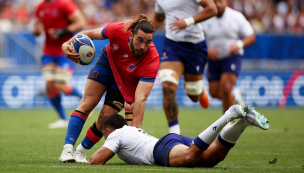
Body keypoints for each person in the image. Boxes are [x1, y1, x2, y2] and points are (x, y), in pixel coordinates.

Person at [58, 14, 159, 163]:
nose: (143, 46)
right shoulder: (118, 29)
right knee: (87, 104)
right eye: (140, 40)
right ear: (131, 35)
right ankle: (67, 150)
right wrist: (66, 44)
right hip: (107, 64)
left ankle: (81, 151)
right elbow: (89, 34)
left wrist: (136, 130)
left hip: (124, 81)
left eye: (148, 42)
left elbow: (141, 98)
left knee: (105, 116)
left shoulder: (152, 58)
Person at [87, 104, 269, 166]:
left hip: (160, 150)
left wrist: (85, 158)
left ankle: (229, 115)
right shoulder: (130, 129)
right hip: (169, 142)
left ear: (108, 130)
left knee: (190, 158)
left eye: (105, 136)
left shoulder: (115, 134)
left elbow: (96, 161)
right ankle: (243, 122)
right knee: (212, 158)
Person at [151, 0, 217, 135]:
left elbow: (212, 9)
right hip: (172, 45)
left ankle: (200, 92)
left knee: (193, 94)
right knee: (167, 85)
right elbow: (158, 18)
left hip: (195, 46)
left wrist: (187, 21)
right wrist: (140, 37)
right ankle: (174, 134)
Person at [33, 0, 86, 128]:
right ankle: (63, 118)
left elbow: (81, 22)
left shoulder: (64, 3)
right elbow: (36, 31)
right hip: (48, 52)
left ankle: (85, 100)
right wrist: (36, 30)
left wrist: (62, 32)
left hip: (65, 50)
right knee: (50, 85)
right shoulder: (40, 7)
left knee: (60, 84)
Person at [201, 0, 256, 113]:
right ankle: (235, 96)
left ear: (226, 2)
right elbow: (197, 39)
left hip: (231, 56)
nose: (218, 5)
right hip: (214, 59)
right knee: (214, 92)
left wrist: (238, 44)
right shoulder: (205, 18)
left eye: (220, 1)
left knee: (226, 88)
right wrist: (206, 50)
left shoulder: (236, 16)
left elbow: (251, 36)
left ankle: (227, 122)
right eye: (215, 2)